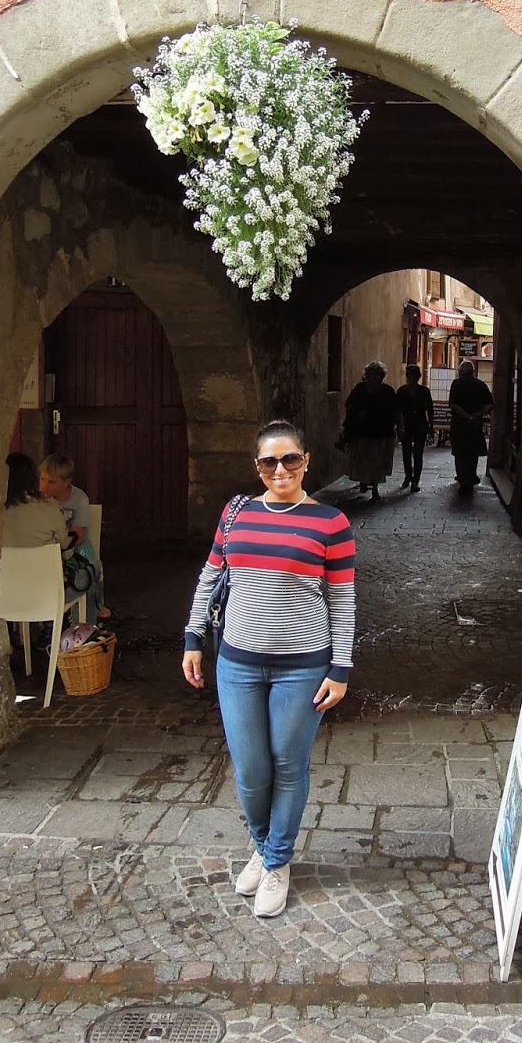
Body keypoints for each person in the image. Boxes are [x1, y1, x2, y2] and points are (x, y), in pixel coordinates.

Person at [182, 421, 355, 919]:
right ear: (256, 466)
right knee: (251, 769)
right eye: (268, 462)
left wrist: (341, 668)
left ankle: (276, 860)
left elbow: (343, 600)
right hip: (237, 662)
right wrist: (193, 637)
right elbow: (211, 576)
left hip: (303, 666)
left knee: (288, 764)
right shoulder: (236, 514)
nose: (280, 470)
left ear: (306, 460)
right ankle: (264, 846)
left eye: (290, 459)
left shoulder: (330, 523)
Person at [39, 452, 109, 620]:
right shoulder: (38, 499)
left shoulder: (79, 498)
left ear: (67, 483)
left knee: (92, 564)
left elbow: (79, 534)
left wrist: (64, 546)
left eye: (51, 482)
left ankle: (92, 608)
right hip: (47, 545)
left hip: (76, 544)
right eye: (42, 479)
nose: (44, 486)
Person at [340, 360, 400, 502]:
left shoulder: (388, 391)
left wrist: (400, 427)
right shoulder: (360, 389)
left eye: (377, 374)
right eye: (371, 374)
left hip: (381, 432)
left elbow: (396, 411)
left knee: (377, 461)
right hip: (362, 431)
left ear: (381, 376)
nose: (374, 377)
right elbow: (349, 405)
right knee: (362, 460)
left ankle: (374, 488)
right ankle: (364, 480)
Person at [4, 452, 74, 551]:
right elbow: (65, 547)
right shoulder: (51, 510)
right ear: (33, 478)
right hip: (44, 561)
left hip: (6, 561)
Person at [448, 359, 493, 493]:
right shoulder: (480, 384)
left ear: (461, 371)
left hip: (459, 424)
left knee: (459, 452)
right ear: (472, 371)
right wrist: (475, 415)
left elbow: (453, 405)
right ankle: (471, 475)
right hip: (475, 424)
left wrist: (466, 416)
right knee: (473, 452)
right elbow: (490, 405)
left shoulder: (456, 384)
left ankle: (462, 477)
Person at [395, 363, 434, 492]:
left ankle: (415, 479)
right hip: (406, 425)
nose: (413, 379)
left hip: (420, 425)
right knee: (406, 452)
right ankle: (408, 476)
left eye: (415, 376)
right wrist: (400, 426)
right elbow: (397, 410)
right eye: (411, 376)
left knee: (418, 453)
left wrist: (431, 426)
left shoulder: (424, 391)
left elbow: (430, 409)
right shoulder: (402, 391)